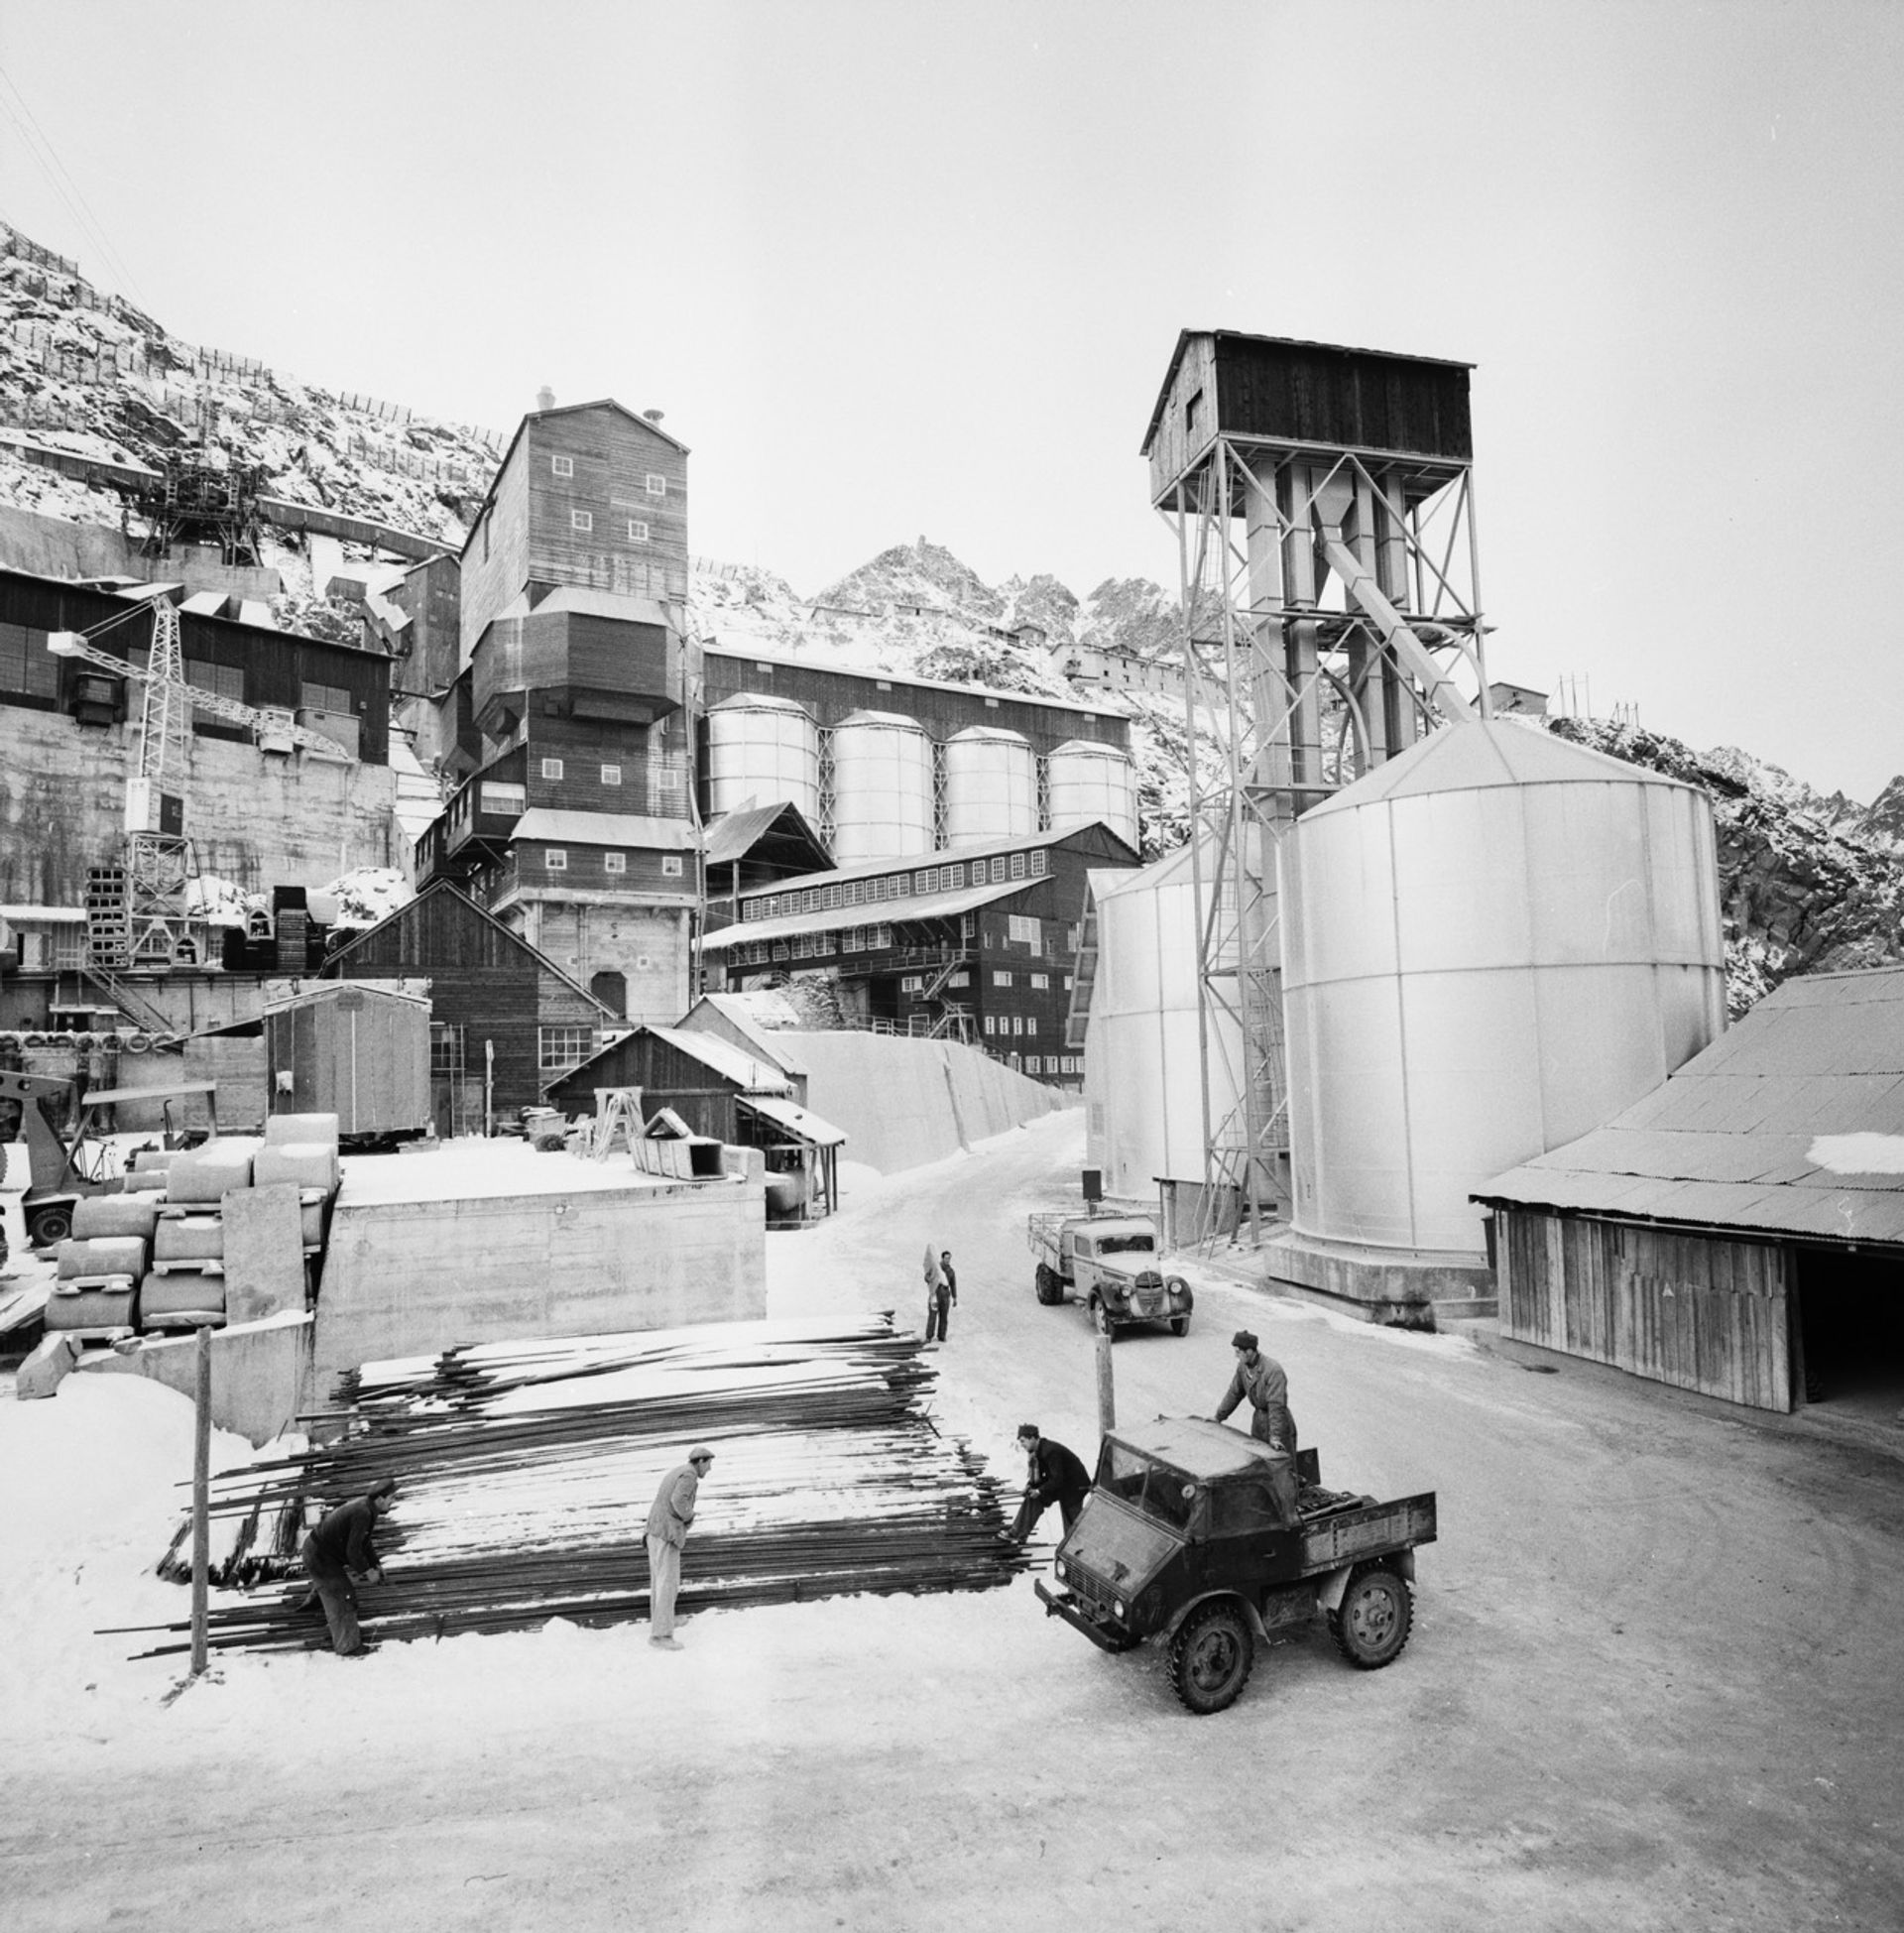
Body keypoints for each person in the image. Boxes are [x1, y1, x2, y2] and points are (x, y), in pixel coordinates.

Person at [299, 1476, 397, 1658]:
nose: (393, 1501)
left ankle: (321, 1596)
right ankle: (348, 1647)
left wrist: (375, 1564)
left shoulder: (368, 1507)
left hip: (323, 1551)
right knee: (344, 1596)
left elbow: (364, 1542)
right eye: (391, 1498)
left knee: (334, 1586)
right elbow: (353, 1551)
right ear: (380, 1499)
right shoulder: (363, 1512)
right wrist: (368, 1572)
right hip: (319, 1555)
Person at [645, 1445, 714, 1650]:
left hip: (655, 1531)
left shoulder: (679, 1470)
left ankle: (664, 1620)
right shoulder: (689, 1475)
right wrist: (689, 1516)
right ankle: (661, 1636)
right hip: (666, 1533)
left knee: (660, 1580)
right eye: (708, 1464)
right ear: (700, 1461)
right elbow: (677, 1500)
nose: (709, 1469)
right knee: (668, 1582)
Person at [1214, 1329, 1298, 1454]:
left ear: (1249, 1351)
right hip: (1258, 1423)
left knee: (1282, 1462)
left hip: (1279, 1425)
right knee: (1258, 1460)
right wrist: (1218, 1417)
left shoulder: (1273, 1370)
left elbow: (1276, 1405)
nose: (1236, 1356)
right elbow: (1234, 1393)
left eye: (1238, 1352)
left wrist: (1275, 1437)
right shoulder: (1242, 1367)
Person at [1006, 1423, 1091, 1545]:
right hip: (1062, 1483)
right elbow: (1040, 1477)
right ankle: (1017, 1533)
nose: (1022, 1445)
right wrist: (1030, 1486)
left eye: (1023, 1441)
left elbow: (1057, 1479)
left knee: (1072, 1522)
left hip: (1075, 1487)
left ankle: (1078, 1548)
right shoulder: (1038, 1451)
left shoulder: (1050, 1451)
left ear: (1032, 1438)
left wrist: (1039, 1491)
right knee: (1033, 1498)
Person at [923, 1242, 956, 1346]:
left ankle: (942, 1336)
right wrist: (928, 1279)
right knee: (932, 1315)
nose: (948, 1260)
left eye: (949, 1258)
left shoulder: (951, 1271)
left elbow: (953, 1284)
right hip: (936, 1292)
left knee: (944, 1316)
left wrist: (955, 1297)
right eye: (946, 1258)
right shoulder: (936, 1267)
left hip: (946, 1294)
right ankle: (929, 1336)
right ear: (942, 1258)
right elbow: (927, 1275)